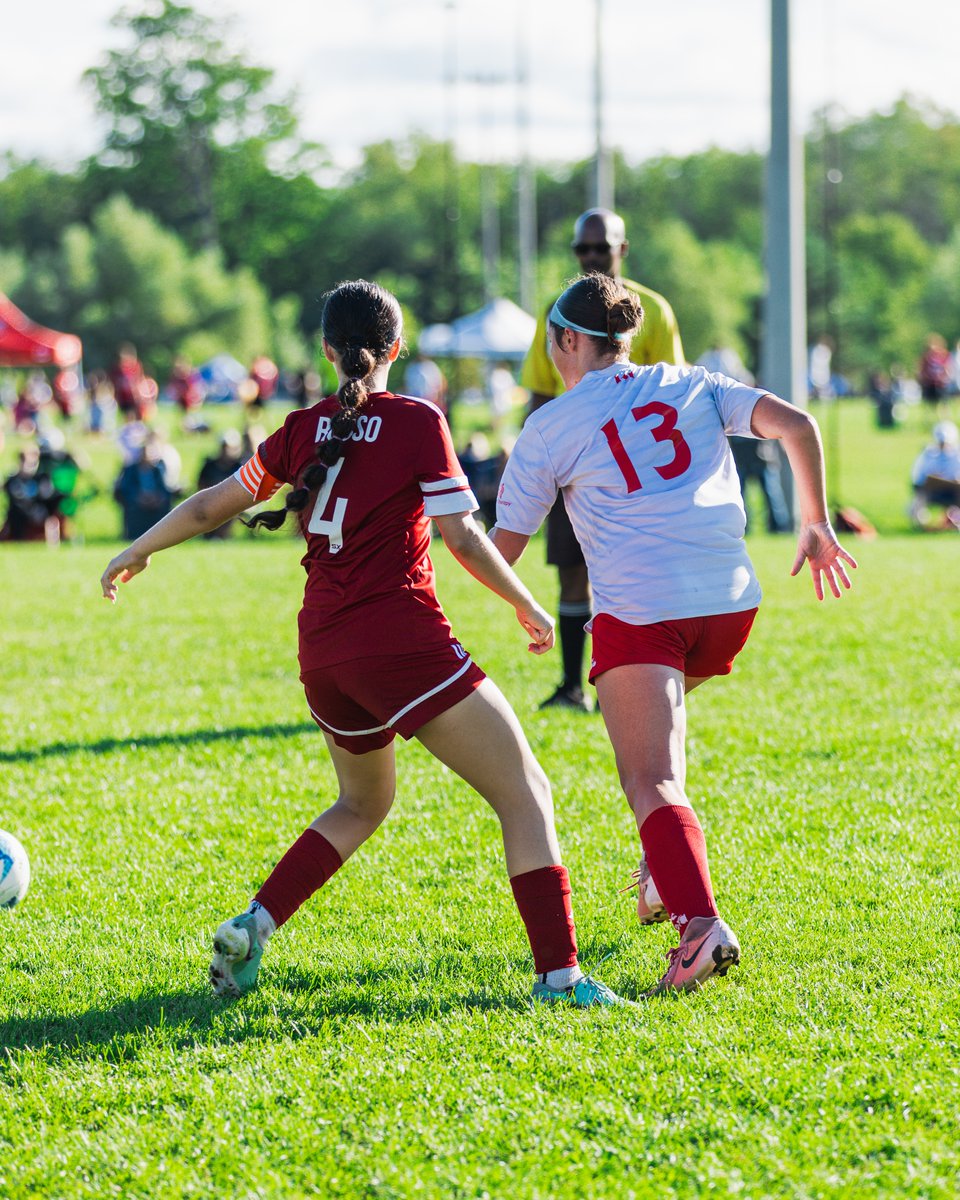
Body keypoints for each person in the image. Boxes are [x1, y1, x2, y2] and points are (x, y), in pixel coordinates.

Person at [101, 279, 624, 1009]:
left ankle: (253, 926)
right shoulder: (416, 420)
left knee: (361, 803)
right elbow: (462, 535)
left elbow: (211, 503)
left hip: (323, 650)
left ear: (325, 350)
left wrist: (138, 550)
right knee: (526, 792)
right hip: (398, 641)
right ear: (397, 350)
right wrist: (530, 604)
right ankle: (561, 979)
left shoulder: (302, 427)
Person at [491, 273, 857, 996]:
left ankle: (699, 927)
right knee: (662, 731)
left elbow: (500, 543)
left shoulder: (552, 425)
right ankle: (664, 871)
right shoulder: (692, 382)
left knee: (648, 777)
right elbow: (797, 426)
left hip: (644, 609)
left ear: (568, 340)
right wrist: (814, 521)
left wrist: (518, 605)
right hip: (729, 604)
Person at [520, 207, 685, 712]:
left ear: (623, 249)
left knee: (635, 576)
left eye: (601, 247)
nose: (592, 257)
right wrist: (541, 461)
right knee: (572, 572)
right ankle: (572, 686)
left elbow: (671, 393)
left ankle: (641, 685)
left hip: (636, 472)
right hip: (575, 467)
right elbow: (540, 393)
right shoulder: (558, 309)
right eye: (582, 249)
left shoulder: (652, 309)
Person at [909, 420, 960, 530]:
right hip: (932, 492)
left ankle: (955, 522)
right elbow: (918, 479)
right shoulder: (927, 455)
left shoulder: (957, 455)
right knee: (919, 499)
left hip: (954, 492)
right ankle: (921, 526)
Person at [196, 430, 245, 538]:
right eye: (223, 446)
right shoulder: (209, 465)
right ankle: (210, 536)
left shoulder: (239, 466)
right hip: (211, 498)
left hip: (234, 501)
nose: (225, 450)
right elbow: (201, 484)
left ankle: (221, 536)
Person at [403, 350, 448, 417]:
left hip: (429, 399)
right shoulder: (412, 367)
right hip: (414, 399)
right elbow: (407, 384)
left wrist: (439, 399)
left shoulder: (431, 366)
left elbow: (439, 384)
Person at [918, 334, 951, 408]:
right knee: (930, 402)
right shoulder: (925, 357)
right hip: (929, 383)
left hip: (941, 383)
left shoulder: (943, 355)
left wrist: (944, 376)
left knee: (943, 402)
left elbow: (947, 367)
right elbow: (922, 369)